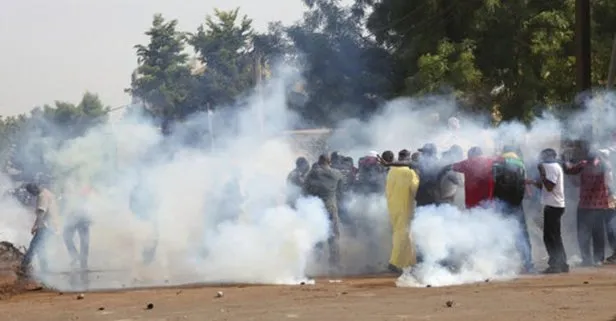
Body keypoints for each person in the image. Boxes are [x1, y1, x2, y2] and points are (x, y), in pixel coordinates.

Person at [563, 148, 615, 266]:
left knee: (583, 233)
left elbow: (569, 170)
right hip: (599, 205)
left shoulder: (584, 165)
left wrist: (566, 160)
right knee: (598, 233)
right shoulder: (604, 165)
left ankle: (587, 259)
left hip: (585, 205)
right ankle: (599, 259)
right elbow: (609, 179)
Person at [526, 148, 569, 274]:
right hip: (553, 205)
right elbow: (545, 186)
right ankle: (562, 263)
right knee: (554, 236)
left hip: (554, 206)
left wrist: (542, 172)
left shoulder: (551, 167)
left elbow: (549, 187)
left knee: (551, 237)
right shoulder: (552, 167)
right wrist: (533, 182)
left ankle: (556, 264)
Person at [493, 145, 533, 273]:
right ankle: (528, 264)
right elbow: (524, 182)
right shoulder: (520, 162)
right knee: (521, 233)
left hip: (502, 203)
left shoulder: (498, 161)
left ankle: (501, 266)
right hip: (517, 202)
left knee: (501, 233)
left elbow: (493, 182)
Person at [303, 154, 344, 270]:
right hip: (331, 207)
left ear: (319, 161)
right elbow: (341, 191)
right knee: (334, 236)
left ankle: (317, 263)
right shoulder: (337, 173)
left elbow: (305, 190)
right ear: (329, 161)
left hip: (316, 208)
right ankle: (335, 263)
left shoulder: (312, 173)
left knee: (317, 235)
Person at [385, 149, 420, 274]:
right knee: (402, 235)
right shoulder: (409, 172)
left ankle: (410, 262)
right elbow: (415, 190)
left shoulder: (392, 170)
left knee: (403, 234)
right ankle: (394, 263)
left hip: (392, 206)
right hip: (404, 206)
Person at [20, 183, 60, 279]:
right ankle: (45, 269)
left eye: (31, 192)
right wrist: (35, 225)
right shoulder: (47, 192)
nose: (31, 195)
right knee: (41, 247)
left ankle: (23, 267)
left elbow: (41, 213)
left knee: (34, 246)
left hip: (46, 226)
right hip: (51, 225)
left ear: (34, 189)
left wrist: (36, 226)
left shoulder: (42, 196)